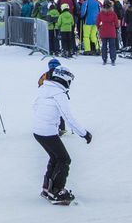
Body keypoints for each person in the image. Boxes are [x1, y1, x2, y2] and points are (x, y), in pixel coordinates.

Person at [33, 66, 91, 204]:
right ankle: (57, 190)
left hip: (38, 131)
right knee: (64, 159)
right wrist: (84, 134)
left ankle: (47, 188)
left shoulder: (43, 89)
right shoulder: (59, 94)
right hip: (48, 132)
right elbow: (68, 116)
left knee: (55, 157)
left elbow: (34, 106)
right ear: (64, 79)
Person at [96, 0, 120, 66]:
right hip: (111, 30)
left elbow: (97, 22)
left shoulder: (101, 13)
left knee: (104, 46)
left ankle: (104, 58)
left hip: (103, 30)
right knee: (112, 46)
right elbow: (116, 22)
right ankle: (113, 58)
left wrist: (98, 27)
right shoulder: (113, 13)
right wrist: (117, 27)